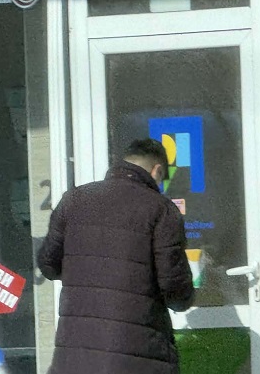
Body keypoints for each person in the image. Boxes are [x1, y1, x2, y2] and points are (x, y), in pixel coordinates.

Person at [38, 138, 195, 374]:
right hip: (139, 357)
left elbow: (48, 265)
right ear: (157, 170)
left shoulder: (73, 200)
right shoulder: (161, 209)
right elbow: (175, 289)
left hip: (76, 357)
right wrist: (187, 297)